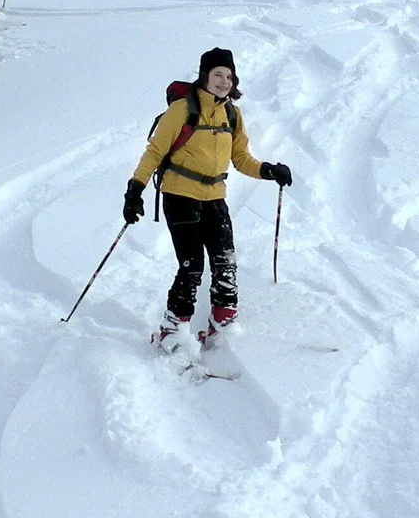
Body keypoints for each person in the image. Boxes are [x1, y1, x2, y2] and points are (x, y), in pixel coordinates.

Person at [124, 48, 293, 349]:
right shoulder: (182, 109)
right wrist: (135, 189)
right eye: (217, 74)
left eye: (229, 76)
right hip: (180, 193)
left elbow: (241, 158)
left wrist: (268, 170)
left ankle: (223, 324)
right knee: (192, 265)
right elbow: (155, 151)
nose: (224, 81)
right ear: (204, 76)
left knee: (225, 260)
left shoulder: (232, 114)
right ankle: (172, 329)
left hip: (215, 196)